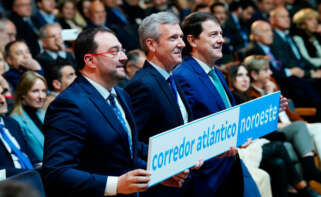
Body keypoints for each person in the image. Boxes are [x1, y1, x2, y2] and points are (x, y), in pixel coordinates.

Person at [42, 27, 190, 197]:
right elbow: (57, 172)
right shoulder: (69, 105)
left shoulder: (121, 94)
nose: (124, 57)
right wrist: (115, 185)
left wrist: (160, 172)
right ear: (90, 60)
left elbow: (130, 148)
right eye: (114, 52)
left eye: (122, 50)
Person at [173, 12, 261, 197]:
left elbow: (229, 114)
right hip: (209, 175)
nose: (221, 40)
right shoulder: (182, 75)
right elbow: (186, 129)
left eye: (220, 34)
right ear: (193, 40)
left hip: (232, 164)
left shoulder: (217, 73)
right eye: (213, 35)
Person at [125, 12, 203, 197]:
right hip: (160, 189)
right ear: (151, 44)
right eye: (173, 38)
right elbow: (131, 143)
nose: (182, 44)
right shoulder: (142, 85)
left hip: (185, 183)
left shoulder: (170, 78)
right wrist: (166, 169)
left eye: (181, 37)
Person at [228, 63, 321, 197]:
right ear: (232, 79)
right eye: (240, 75)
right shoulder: (234, 97)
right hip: (248, 144)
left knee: (279, 163)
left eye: (246, 75)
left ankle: (301, 187)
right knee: (279, 147)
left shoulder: (247, 96)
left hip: (264, 138)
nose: (245, 79)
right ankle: (303, 185)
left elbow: (285, 115)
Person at [239, 20, 321, 121]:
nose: (271, 34)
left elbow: (284, 65)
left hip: (287, 81)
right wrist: (289, 72)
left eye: (271, 30)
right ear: (256, 36)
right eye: (266, 31)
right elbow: (271, 74)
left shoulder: (273, 47)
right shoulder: (252, 51)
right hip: (278, 85)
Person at [0, 83, 39, 178]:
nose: (2, 100)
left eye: (2, 94)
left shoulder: (12, 123)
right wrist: (19, 174)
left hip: (31, 178)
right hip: (10, 185)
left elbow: (31, 157)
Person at [10, 71, 47, 161]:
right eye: (35, 91)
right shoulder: (15, 121)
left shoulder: (45, 113)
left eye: (43, 91)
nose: (41, 96)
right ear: (23, 93)